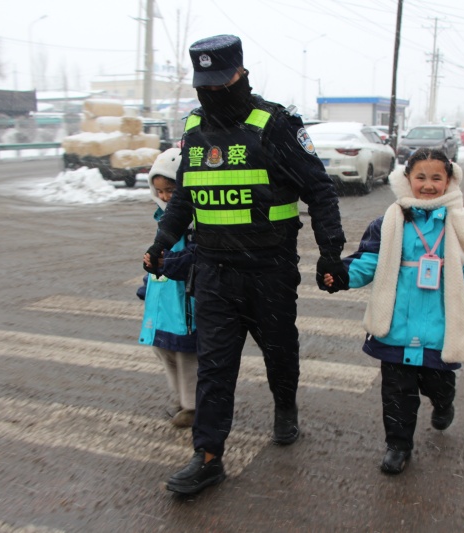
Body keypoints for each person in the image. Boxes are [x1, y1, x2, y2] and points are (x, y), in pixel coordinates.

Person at [142, 34, 348, 495]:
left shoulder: (274, 125)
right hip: (213, 270)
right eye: (206, 85)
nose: (215, 92)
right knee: (215, 367)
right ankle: (207, 456)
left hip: (269, 269)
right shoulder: (194, 130)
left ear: (242, 74)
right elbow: (186, 195)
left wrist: (330, 252)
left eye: (223, 82)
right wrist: (162, 241)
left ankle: (285, 406)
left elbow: (320, 190)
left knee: (279, 350)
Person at [323, 148, 464, 475]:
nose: (428, 185)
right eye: (421, 177)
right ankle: (398, 445)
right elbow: (369, 261)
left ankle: (444, 402)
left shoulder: (460, 224)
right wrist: (342, 275)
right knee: (396, 392)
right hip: (396, 327)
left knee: (438, 383)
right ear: (407, 179)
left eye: (436, 178)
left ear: (449, 181)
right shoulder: (390, 221)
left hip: (440, 329)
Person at [137, 148, 198, 428]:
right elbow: (157, 258)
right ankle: (179, 398)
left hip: (185, 304)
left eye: (171, 190)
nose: (164, 197)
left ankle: (193, 405)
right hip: (164, 305)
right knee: (164, 351)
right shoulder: (162, 220)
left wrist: (168, 264)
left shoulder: (194, 222)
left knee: (186, 356)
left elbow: (192, 258)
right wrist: (148, 284)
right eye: (159, 191)